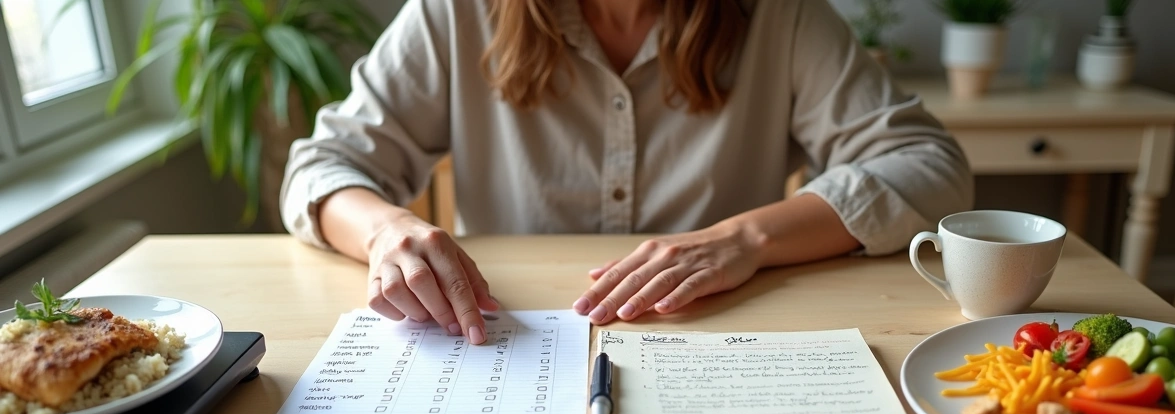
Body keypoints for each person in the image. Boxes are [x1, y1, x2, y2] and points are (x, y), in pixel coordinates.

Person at [281, 0, 973, 345]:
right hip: (510, 341)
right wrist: (386, 231)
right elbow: (322, 165)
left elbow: (930, 166)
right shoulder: (455, 12)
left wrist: (746, 239)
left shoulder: (780, 14)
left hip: (719, 337)